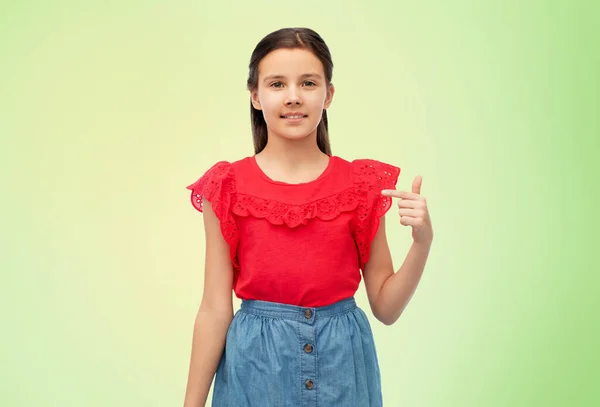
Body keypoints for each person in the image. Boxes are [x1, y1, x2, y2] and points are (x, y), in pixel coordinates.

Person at [182, 27, 433, 407]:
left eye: (309, 83)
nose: (294, 97)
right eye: (277, 84)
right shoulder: (227, 186)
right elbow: (215, 309)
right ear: (255, 95)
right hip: (255, 373)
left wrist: (422, 242)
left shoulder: (361, 185)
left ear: (328, 94)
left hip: (343, 371)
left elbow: (385, 306)